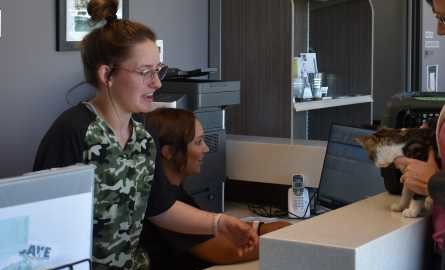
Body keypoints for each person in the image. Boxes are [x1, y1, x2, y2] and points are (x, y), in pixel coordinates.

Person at [33, 0, 256, 269]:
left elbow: (159, 208)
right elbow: (42, 227)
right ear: (107, 74)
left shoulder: (143, 135)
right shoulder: (72, 131)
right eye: (145, 72)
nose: (158, 83)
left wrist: (219, 223)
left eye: (158, 70)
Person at [141, 108, 290, 270]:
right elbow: (227, 251)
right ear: (169, 152)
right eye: (198, 142)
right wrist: (284, 239)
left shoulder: (173, 190)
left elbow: (212, 229)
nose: (206, 149)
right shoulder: (165, 201)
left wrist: (259, 228)